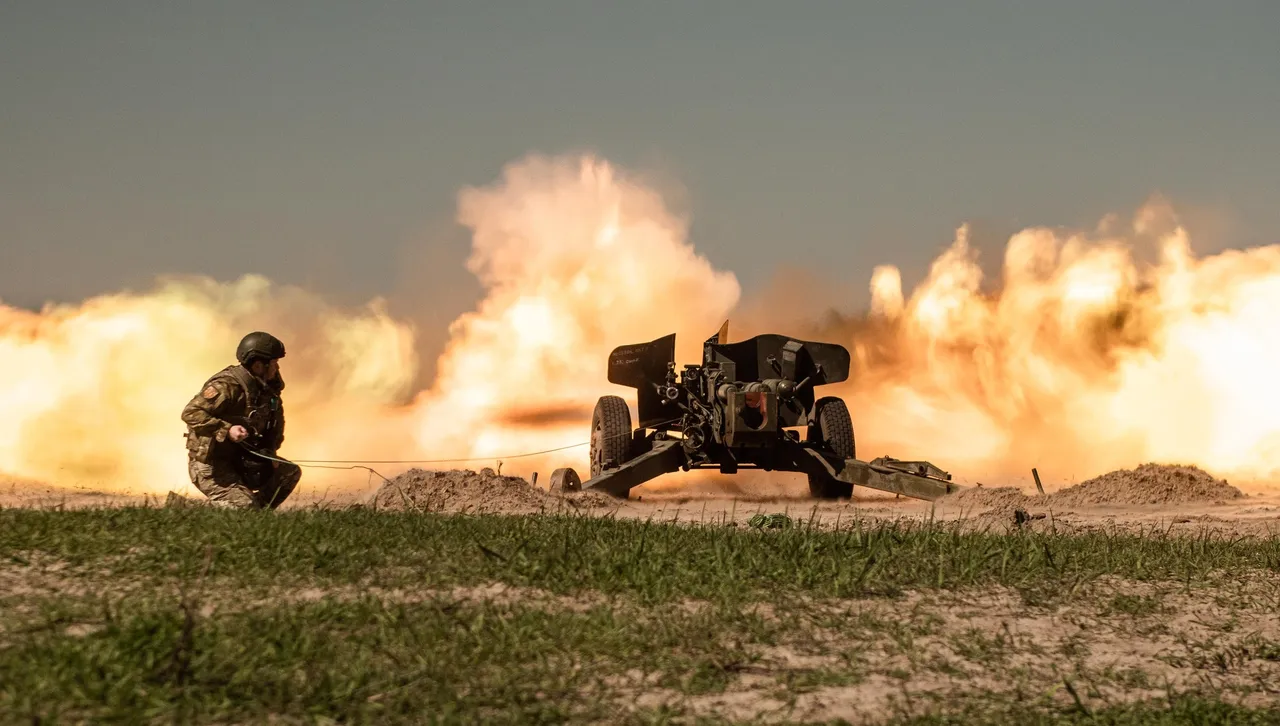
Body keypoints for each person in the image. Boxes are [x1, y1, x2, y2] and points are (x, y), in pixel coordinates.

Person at [181, 331, 301, 509]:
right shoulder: (227, 386)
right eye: (274, 363)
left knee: (288, 473)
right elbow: (191, 413)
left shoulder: (267, 391)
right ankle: (188, 508)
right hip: (211, 465)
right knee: (245, 506)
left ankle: (256, 513)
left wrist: (269, 454)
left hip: (240, 460)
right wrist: (226, 429)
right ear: (259, 365)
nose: (277, 368)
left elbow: (274, 427)